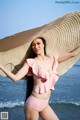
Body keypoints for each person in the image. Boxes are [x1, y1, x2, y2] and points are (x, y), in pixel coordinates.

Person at [0, 37, 80, 120]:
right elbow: (15, 78)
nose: (35, 46)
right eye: (33, 45)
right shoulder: (30, 62)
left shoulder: (52, 59)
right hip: (33, 105)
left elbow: (72, 54)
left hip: (45, 104)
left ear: (44, 44)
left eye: (38, 43)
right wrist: (1, 66)